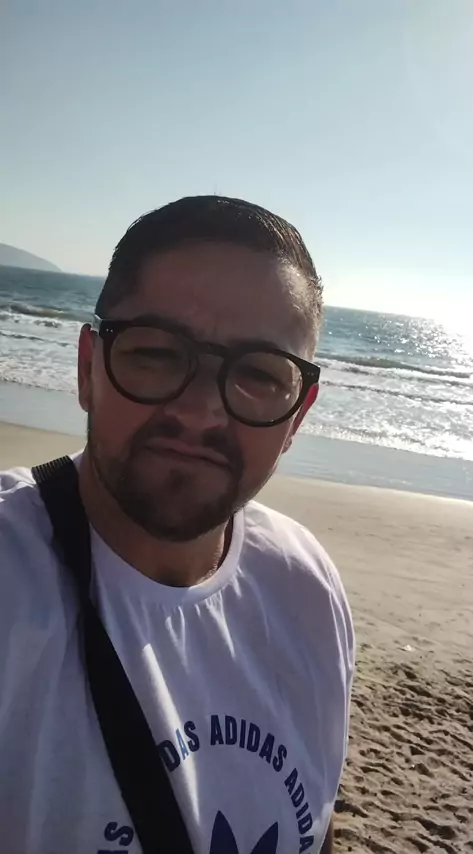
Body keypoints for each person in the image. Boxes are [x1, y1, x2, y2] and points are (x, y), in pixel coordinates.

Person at [0, 196, 354, 853]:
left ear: (297, 416)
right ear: (87, 369)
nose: (199, 413)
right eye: (158, 353)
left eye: (258, 374)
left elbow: (317, 819)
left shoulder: (307, 587)